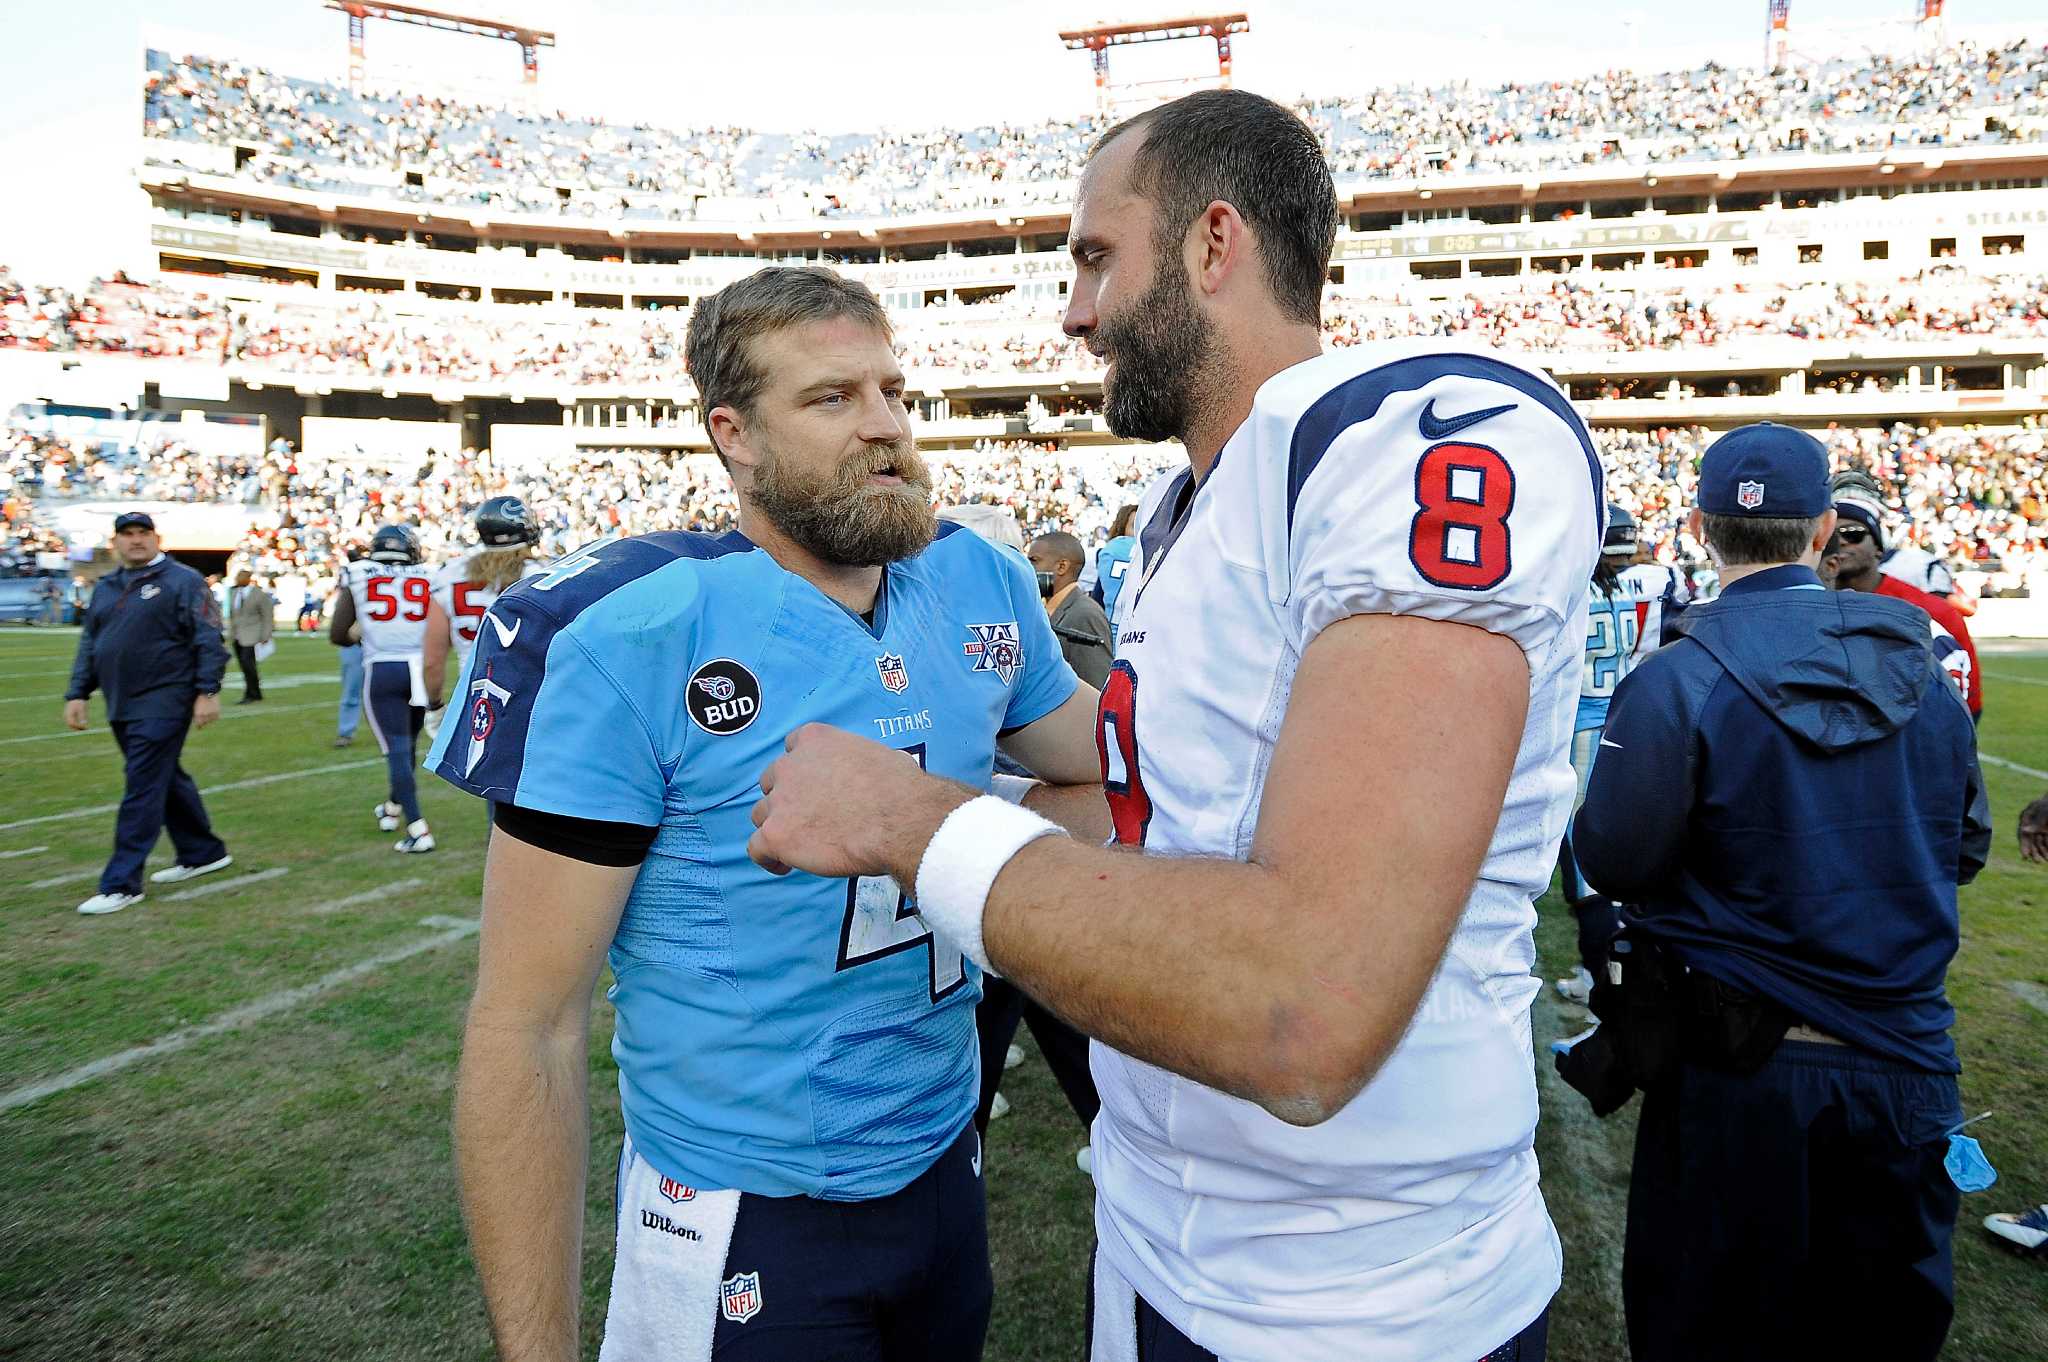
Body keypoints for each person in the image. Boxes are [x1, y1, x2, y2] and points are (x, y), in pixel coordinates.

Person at [747, 90, 1599, 1361]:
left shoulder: (1405, 432)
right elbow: (1169, 813)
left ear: (1213, 245)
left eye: (1094, 256)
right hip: (1163, 1240)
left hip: (1356, 1306)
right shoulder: (1191, 500)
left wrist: (915, 824)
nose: (1074, 311)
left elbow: (1305, 1009)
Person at [426, 265, 1100, 1362]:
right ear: (732, 435)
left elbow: (1100, 752)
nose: (883, 425)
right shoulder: (637, 639)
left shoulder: (974, 578)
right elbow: (528, 1029)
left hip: (942, 1161)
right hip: (738, 1204)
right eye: (831, 399)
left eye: (891, 391)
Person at [1571, 423, 1990, 1362]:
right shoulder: (1921, 673)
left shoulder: (1680, 675)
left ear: (1698, 528)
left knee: (1709, 1336)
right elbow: (1963, 848)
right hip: (1903, 1065)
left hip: (1741, 1070)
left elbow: (1618, 856)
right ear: (1824, 528)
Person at [62, 512, 233, 916]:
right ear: (116, 541)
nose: (136, 541)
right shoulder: (106, 587)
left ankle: (121, 883)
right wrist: (77, 692)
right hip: (122, 700)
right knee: (164, 777)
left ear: (158, 538)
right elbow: (92, 643)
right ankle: (202, 851)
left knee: (141, 785)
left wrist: (208, 690)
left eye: (143, 533)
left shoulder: (184, 580)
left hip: (165, 699)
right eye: (128, 534)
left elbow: (209, 637)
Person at [1555, 505, 1672, 1004]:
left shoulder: (1577, 590)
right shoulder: (1638, 586)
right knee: (1612, 844)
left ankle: (1603, 983)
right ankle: (1608, 970)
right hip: (1620, 723)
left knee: (1584, 867)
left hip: (1580, 729)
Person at [1826, 472, 1983, 722]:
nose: (1842, 542)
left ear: (1878, 547)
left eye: (1854, 533)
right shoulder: (1798, 604)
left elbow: (1965, 706)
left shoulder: (1934, 613)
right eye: (1832, 535)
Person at [330, 526, 437, 853]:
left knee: (396, 749)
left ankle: (418, 828)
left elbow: (338, 633)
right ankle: (393, 806)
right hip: (419, 669)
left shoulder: (359, 572)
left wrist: (368, 636)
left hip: (383, 669)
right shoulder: (430, 575)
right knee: (408, 745)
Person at [422, 495, 545, 725]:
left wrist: (434, 705)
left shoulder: (450, 573)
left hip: (475, 697)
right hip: (531, 697)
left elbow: (432, 660)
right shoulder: (543, 574)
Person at [1029, 530, 1114, 689]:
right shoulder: (1046, 609)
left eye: (1034, 560)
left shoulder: (1085, 614)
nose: (1027, 567)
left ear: (1062, 567)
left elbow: (1097, 687)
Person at [330, 555, 364, 748]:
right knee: (351, 690)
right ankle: (346, 731)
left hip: (377, 644)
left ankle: (388, 729)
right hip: (355, 643)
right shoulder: (351, 586)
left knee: (383, 692)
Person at [226, 568, 275, 704]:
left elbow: (267, 615)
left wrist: (266, 634)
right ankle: (255, 692)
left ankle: (251, 693)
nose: (238, 579)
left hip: (252, 635)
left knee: (249, 665)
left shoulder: (258, 594)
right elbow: (233, 615)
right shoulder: (235, 593)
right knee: (244, 665)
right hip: (238, 635)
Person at [1087, 503, 1139, 616]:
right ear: (1122, 528)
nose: (1138, 532)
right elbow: (1098, 599)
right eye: (1134, 526)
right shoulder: (1108, 554)